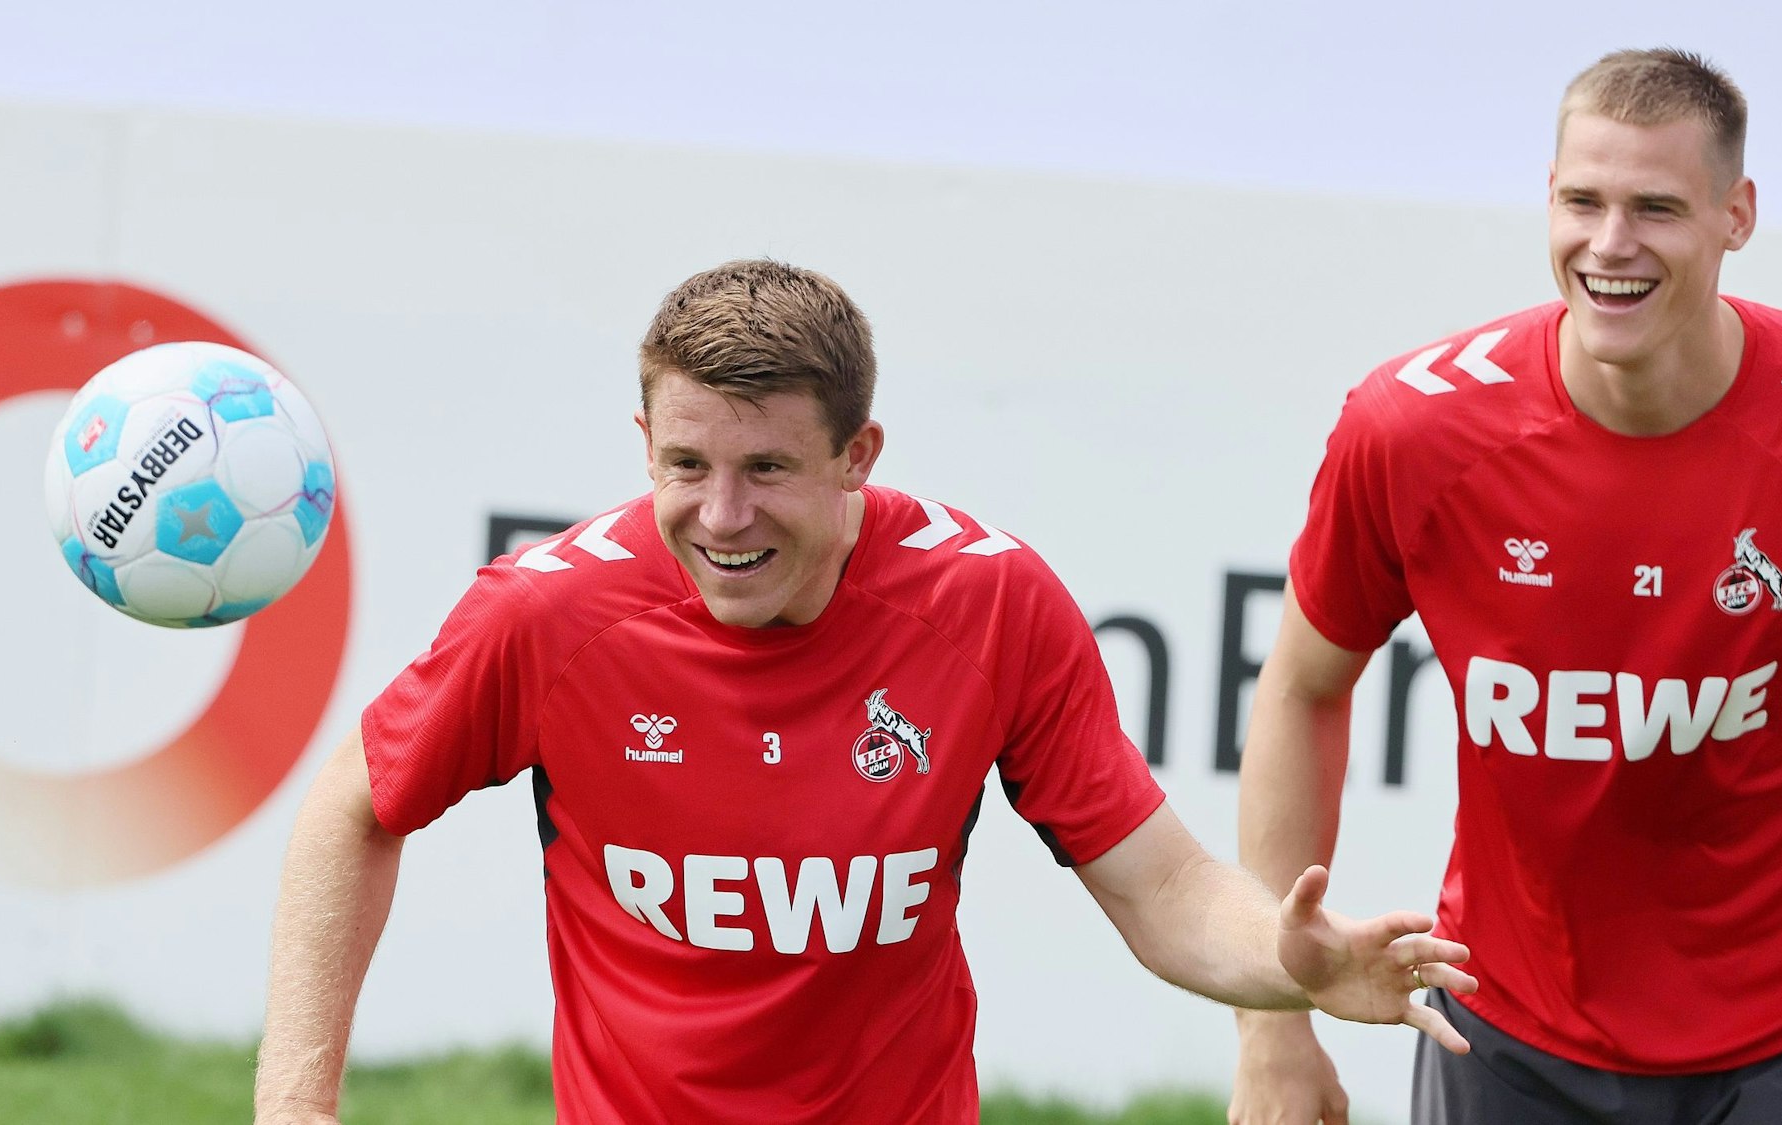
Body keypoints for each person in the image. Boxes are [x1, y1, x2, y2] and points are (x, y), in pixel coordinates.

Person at [252, 259, 1476, 1124]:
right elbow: (355, 804)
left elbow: (1158, 888)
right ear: (643, 443)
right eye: (686, 465)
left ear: (857, 457)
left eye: (769, 469)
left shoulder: (988, 605)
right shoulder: (549, 615)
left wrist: (1289, 960)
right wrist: (296, 1107)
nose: (720, 518)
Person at [1229, 47, 1782, 1125]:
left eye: (1655, 207)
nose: (1608, 246)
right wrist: (1271, 1032)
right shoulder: (1412, 429)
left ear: (1735, 215)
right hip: (1506, 1032)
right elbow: (1298, 686)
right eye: (1581, 200)